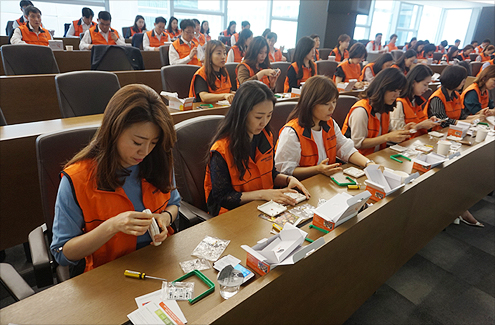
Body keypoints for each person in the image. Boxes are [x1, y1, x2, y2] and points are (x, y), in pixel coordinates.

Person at [50, 84, 180, 272]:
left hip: (159, 261)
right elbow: (62, 253)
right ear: (114, 131)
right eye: (137, 142)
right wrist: (112, 226)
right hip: (109, 272)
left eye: (153, 142)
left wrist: (165, 218)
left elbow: (175, 203)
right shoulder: (77, 179)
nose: (144, 152)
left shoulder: (158, 160)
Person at [204, 81, 309, 216]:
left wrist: (289, 179)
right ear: (242, 113)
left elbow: (270, 174)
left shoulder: (265, 136)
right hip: (232, 215)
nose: (264, 122)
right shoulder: (221, 149)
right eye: (258, 116)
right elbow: (223, 197)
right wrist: (262, 195)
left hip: (264, 208)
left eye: (269, 115)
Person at [275, 75, 373, 180]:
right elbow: (284, 171)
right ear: (310, 103)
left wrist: (368, 163)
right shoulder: (291, 132)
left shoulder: (330, 123)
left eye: (334, 102)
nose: (332, 108)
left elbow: (345, 148)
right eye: (326, 104)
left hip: (325, 181)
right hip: (302, 186)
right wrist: (317, 169)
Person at [341, 68, 411, 156]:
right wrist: (387, 137)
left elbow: (389, 131)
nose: (397, 95)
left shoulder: (385, 107)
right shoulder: (361, 111)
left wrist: (401, 133)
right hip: (357, 159)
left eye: (399, 91)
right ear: (382, 88)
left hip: (377, 155)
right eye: (394, 90)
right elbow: (357, 143)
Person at [391, 65, 439, 137]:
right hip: (405, 144)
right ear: (413, 82)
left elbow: (418, 121)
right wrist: (420, 126)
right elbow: (396, 133)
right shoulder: (399, 103)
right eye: (425, 85)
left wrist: (429, 122)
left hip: (418, 140)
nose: (427, 89)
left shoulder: (416, 100)